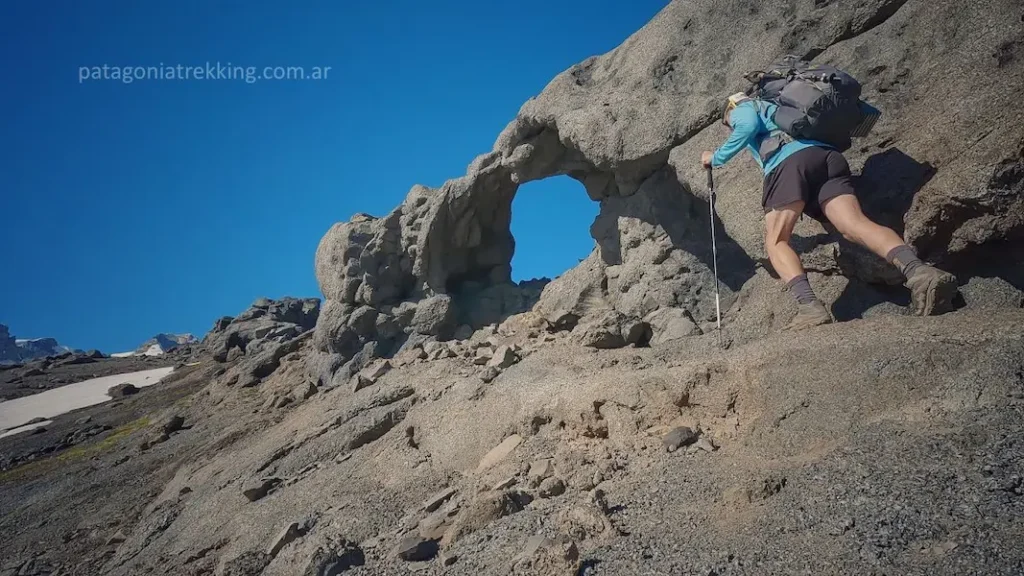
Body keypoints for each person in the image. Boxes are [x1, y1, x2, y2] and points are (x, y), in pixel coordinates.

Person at [701, 92, 958, 331]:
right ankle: (919, 272)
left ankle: (809, 307)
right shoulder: (782, 107)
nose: (729, 126)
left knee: (776, 241)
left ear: (731, 107)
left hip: (788, 162)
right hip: (826, 157)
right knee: (854, 224)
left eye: (727, 123)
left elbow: (746, 126)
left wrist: (716, 157)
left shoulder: (744, 107)